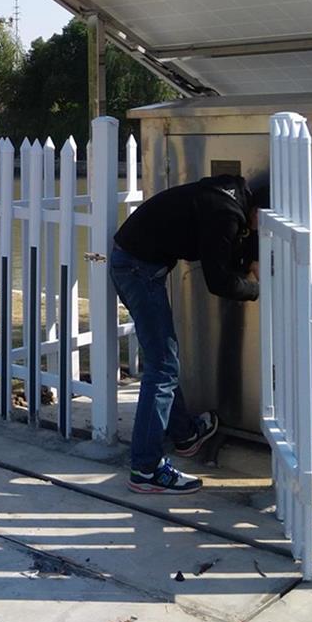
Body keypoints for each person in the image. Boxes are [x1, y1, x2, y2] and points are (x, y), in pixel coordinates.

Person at [111, 173, 267, 494]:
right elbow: (219, 281)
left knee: (163, 360)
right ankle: (146, 468)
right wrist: (256, 289)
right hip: (138, 270)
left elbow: (236, 235)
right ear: (258, 212)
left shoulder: (230, 193)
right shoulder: (226, 215)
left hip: (134, 262)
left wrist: (249, 256)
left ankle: (184, 434)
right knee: (163, 367)